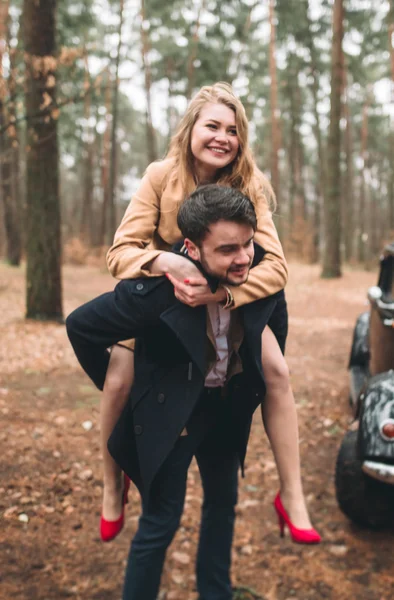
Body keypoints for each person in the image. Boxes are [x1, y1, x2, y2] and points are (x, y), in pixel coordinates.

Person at [66, 186, 320, 600]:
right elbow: (81, 327)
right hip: (173, 419)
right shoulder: (156, 294)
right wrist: (137, 394)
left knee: (222, 507)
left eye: (247, 244)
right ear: (192, 248)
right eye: (227, 250)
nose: (242, 258)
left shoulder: (257, 276)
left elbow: (276, 321)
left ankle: (215, 593)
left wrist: (252, 378)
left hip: (225, 411)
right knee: (160, 521)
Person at [99, 82, 317, 544]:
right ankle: (111, 483)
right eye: (212, 125)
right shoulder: (161, 175)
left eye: (232, 130)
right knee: (119, 375)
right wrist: (165, 261)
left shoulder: (250, 185)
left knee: (277, 371)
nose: (222, 137)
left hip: (231, 304)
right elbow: (120, 253)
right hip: (165, 304)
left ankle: (292, 494)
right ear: (190, 130)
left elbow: (277, 267)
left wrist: (223, 296)